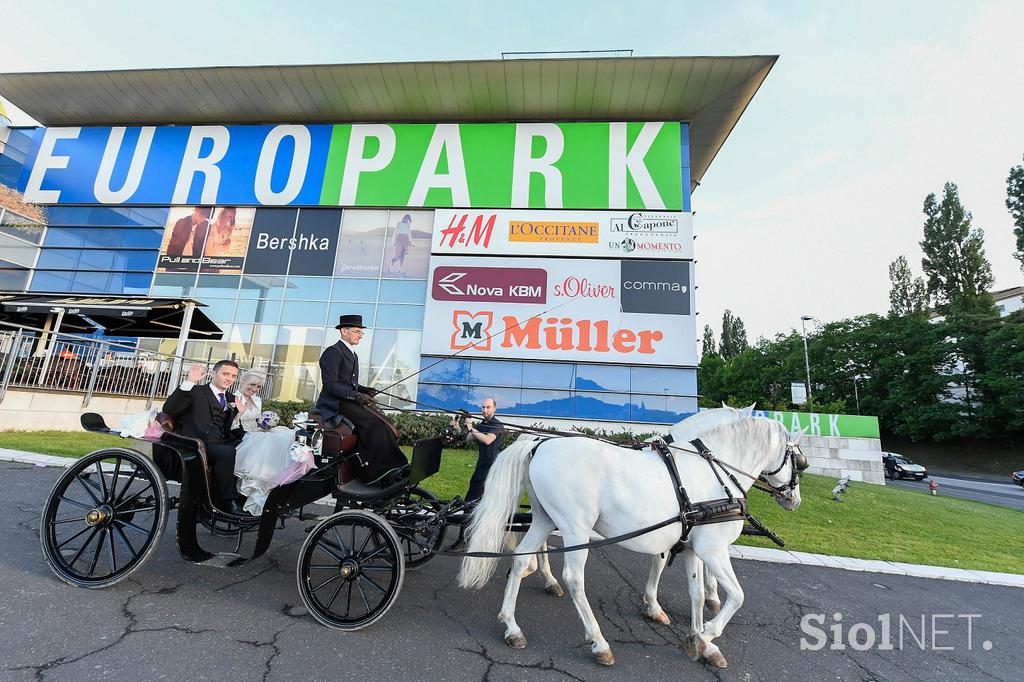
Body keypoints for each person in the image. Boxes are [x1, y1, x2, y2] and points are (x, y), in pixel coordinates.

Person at [315, 314, 407, 486]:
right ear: (344, 331)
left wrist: (365, 390)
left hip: (347, 400)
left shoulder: (352, 354)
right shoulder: (332, 352)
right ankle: (374, 472)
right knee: (374, 424)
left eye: (361, 332)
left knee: (386, 422)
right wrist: (356, 396)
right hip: (334, 403)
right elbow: (331, 385)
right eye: (357, 331)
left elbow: (350, 383)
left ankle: (394, 466)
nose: (360, 335)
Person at [162, 360, 245, 514]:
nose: (229, 379)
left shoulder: (232, 398)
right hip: (196, 444)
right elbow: (169, 409)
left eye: (233, 376)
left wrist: (238, 415)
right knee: (227, 452)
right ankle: (229, 501)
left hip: (220, 442)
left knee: (249, 445)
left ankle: (245, 495)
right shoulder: (195, 391)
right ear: (213, 374)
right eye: (225, 374)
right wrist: (189, 381)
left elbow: (230, 431)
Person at [231, 370, 302, 516]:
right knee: (267, 447)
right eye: (252, 384)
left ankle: (276, 496)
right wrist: (238, 413)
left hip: (258, 433)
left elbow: (259, 421)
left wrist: (266, 425)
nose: (254, 389)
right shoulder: (233, 398)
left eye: (258, 387)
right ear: (242, 381)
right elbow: (230, 425)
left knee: (284, 440)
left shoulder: (257, 400)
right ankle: (248, 497)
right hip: (241, 435)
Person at [448, 398, 504, 551]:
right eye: (483, 407)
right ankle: (475, 539)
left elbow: (487, 440)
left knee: (470, 502)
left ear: (494, 409)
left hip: (491, 469)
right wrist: (459, 428)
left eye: (488, 407)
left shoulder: (497, 425)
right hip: (482, 468)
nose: (484, 410)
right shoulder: (483, 425)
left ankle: (464, 540)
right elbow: (468, 438)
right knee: (479, 504)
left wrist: (472, 427)